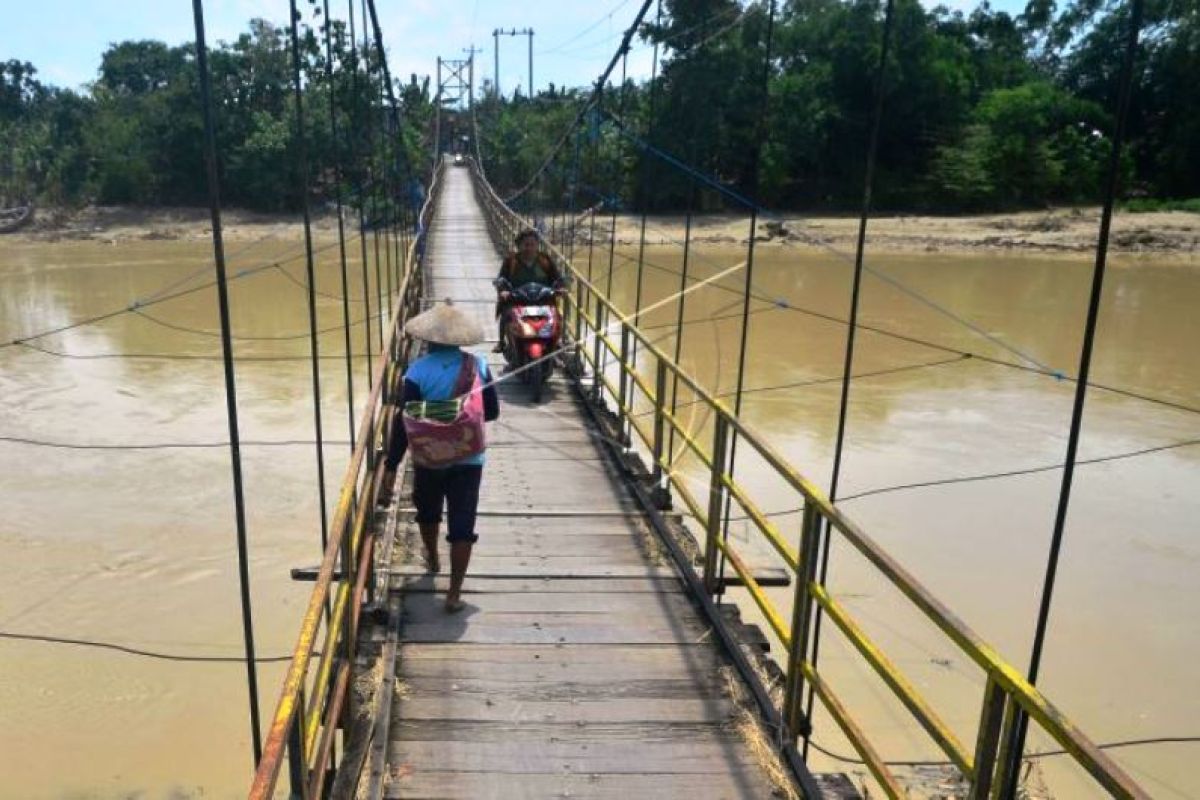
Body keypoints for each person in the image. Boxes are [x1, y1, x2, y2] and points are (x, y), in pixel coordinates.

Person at [382, 300, 500, 612]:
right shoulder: (479, 366)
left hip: (428, 458)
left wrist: (392, 464)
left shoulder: (416, 371)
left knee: (428, 510)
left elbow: (404, 421)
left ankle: (432, 557)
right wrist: (459, 416)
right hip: (468, 458)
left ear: (428, 339)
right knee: (463, 522)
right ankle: (454, 594)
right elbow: (492, 412)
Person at [493, 228, 566, 352]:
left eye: (533, 244)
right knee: (506, 313)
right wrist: (503, 290)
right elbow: (502, 279)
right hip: (518, 299)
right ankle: (502, 342)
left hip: (543, 298)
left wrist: (560, 288)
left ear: (537, 245)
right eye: (526, 245)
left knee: (557, 315)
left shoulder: (545, 260)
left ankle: (555, 340)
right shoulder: (511, 261)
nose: (529, 248)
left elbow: (556, 278)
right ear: (519, 246)